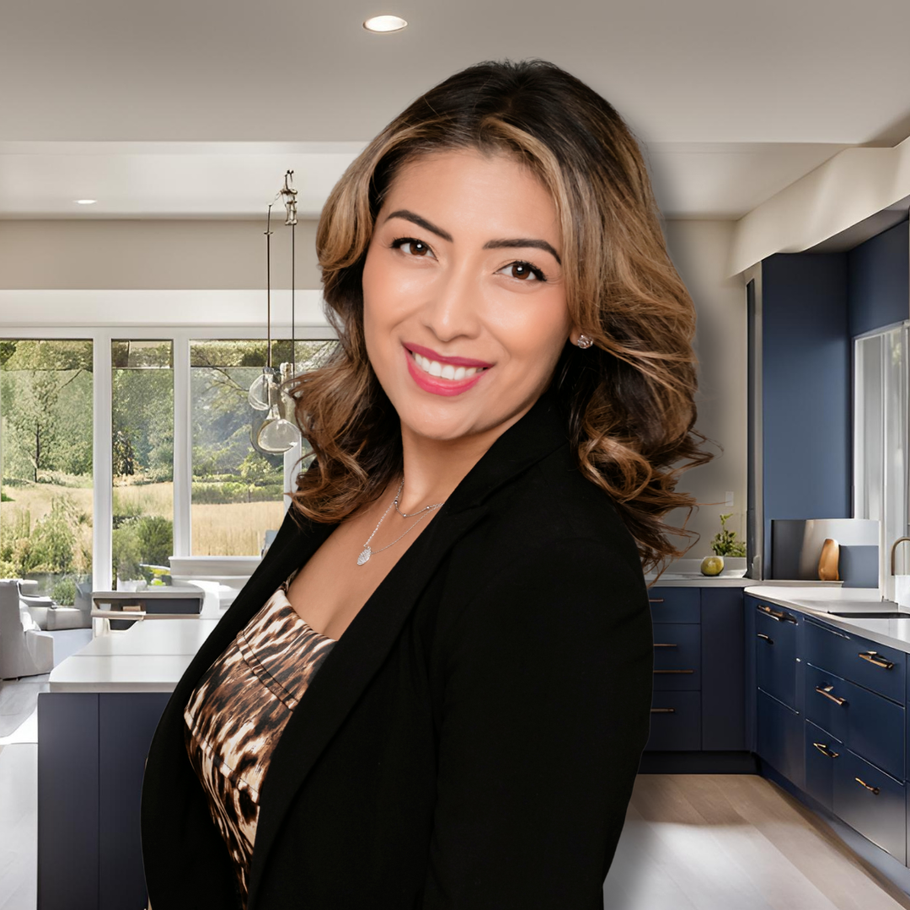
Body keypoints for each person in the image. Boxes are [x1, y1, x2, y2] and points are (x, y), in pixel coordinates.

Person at [141, 57, 712, 909]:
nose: (447, 315)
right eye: (415, 246)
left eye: (520, 268)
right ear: (362, 261)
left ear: (586, 309)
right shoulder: (343, 484)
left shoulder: (555, 573)